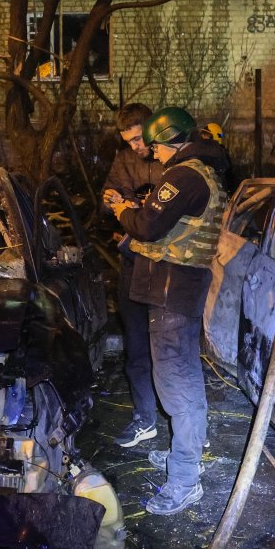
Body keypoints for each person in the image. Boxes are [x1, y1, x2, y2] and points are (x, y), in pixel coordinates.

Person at [109, 106, 228, 516]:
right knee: (181, 381)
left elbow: (146, 225)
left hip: (173, 293)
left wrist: (122, 211)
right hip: (174, 291)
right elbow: (166, 234)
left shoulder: (185, 176)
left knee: (177, 387)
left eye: (155, 145)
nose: (152, 153)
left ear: (171, 140)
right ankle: (185, 453)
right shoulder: (194, 174)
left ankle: (184, 480)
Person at [101, 103, 166, 449]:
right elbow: (108, 198)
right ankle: (145, 418)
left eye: (139, 139)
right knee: (137, 346)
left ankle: (182, 421)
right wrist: (111, 199)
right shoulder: (125, 160)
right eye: (129, 142)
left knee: (170, 347)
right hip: (132, 263)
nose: (136, 148)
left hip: (166, 269)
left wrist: (139, 210)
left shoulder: (170, 157)